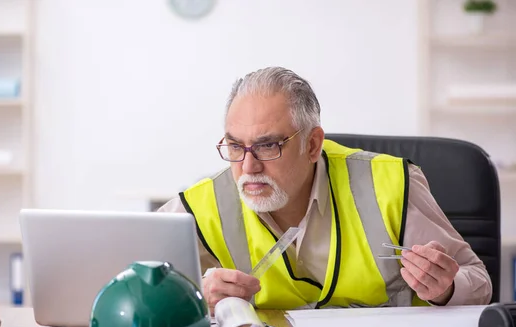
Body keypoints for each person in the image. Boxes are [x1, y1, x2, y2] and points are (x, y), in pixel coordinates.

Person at [158, 66, 492, 311]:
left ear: (313, 144)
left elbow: (479, 281)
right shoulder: (204, 202)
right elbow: (131, 282)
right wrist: (196, 295)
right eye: (235, 146)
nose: (248, 167)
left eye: (268, 146)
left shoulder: (389, 185)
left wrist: (445, 288)